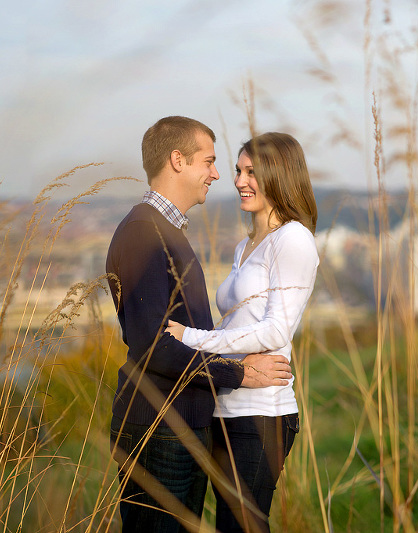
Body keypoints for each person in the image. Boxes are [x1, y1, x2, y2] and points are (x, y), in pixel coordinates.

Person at [106, 117, 293, 533]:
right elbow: (155, 346)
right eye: (208, 161)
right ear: (177, 160)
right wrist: (240, 374)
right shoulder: (144, 233)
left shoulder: (164, 230)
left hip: (178, 422)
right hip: (159, 426)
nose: (217, 173)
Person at [166, 132, 319, 532]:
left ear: (281, 176)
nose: (238, 180)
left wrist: (192, 339)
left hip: (261, 413)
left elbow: (274, 331)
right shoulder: (246, 245)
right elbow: (239, 323)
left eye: (252, 172)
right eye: (238, 170)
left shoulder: (293, 239)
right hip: (225, 405)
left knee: (243, 526)